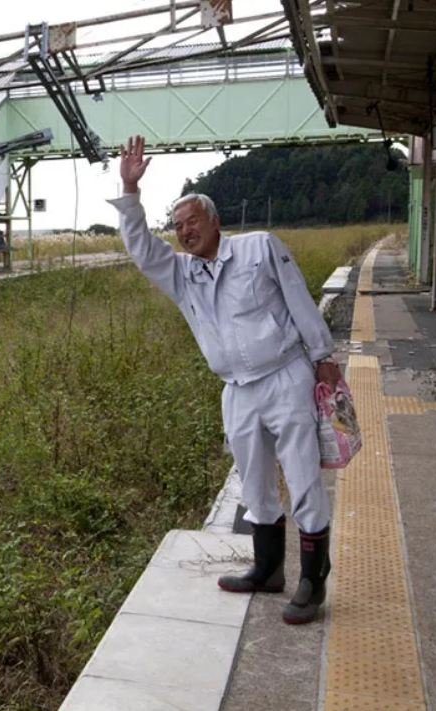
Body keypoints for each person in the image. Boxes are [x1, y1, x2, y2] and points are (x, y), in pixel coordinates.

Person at [109, 135, 341, 625]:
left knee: (302, 478)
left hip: (284, 377)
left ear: (216, 220)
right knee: (253, 483)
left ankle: (312, 582)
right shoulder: (181, 274)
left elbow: (299, 298)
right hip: (236, 390)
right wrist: (130, 192)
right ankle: (268, 569)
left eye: (192, 221)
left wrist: (323, 356)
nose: (185, 232)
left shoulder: (259, 249)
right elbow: (140, 249)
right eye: (177, 227)